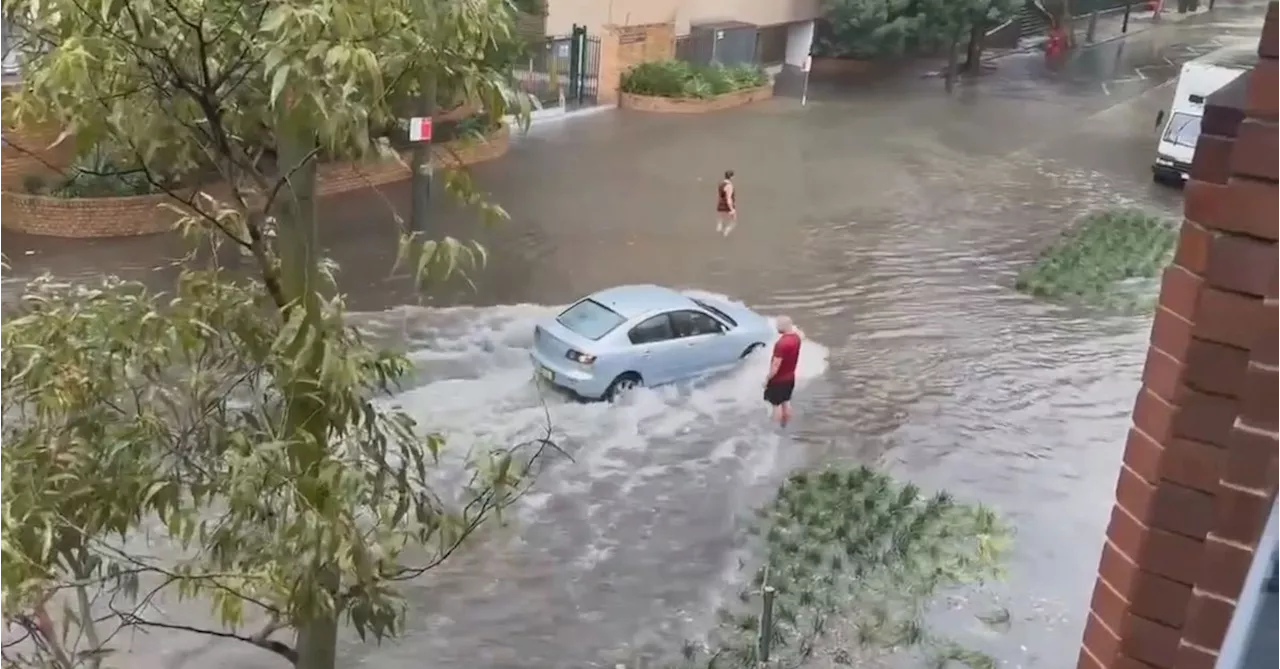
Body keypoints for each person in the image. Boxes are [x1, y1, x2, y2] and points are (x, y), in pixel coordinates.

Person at [763, 316, 803, 428]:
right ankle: (785, 426)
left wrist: (768, 379)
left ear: (782, 326)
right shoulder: (796, 338)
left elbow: (775, 366)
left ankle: (775, 431)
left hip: (778, 380)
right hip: (790, 378)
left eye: (777, 325)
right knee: (786, 402)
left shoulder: (781, 344)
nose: (776, 327)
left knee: (776, 406)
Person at [715, 170, 736, 236]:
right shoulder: (729, 185)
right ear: (731, 177)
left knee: (721, 220)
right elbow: (728, 198)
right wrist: (732, 209)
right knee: (733, 221)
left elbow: (719, 195)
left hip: (720, 204)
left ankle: (718, 231)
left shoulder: (721, 184)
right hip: (727, 206)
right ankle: (726, 233)